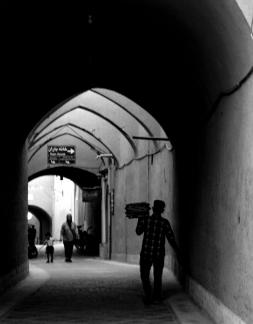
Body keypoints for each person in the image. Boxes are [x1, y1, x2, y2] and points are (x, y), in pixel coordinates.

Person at [136, 199, 180, 305]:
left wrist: (140, 218)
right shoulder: (164, 223)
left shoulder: (146, 220)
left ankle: (148, 295)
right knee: (157, 276)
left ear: (153, 209)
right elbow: (171, 238)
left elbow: (138, 232)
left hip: (146, 253)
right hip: (158, 254)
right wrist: (177, 251)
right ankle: (157, 296)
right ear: (162, 211)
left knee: (144, 276)